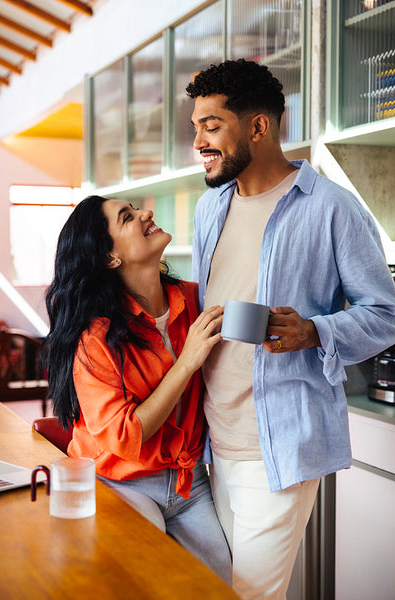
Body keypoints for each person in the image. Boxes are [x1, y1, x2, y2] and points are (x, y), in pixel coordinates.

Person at [186, 58, 395, 599]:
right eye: (196, 129)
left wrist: (316, 332)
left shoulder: (331, 208)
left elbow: (385, 313)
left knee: (250, 594)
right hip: (211, 441)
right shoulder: (210, 209)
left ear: (258, 127)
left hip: (279, 446)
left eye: (212, 126)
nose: (199, 142)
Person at [42, 195, 231, 583]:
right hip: (119, 482)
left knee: (220, 586)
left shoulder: (194, 300)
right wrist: (187, 360)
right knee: (139, 581)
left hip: (188, 481)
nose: (147, 213)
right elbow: (125, 436)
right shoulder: (94, 338)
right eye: (127, 217)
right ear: (111, 257)